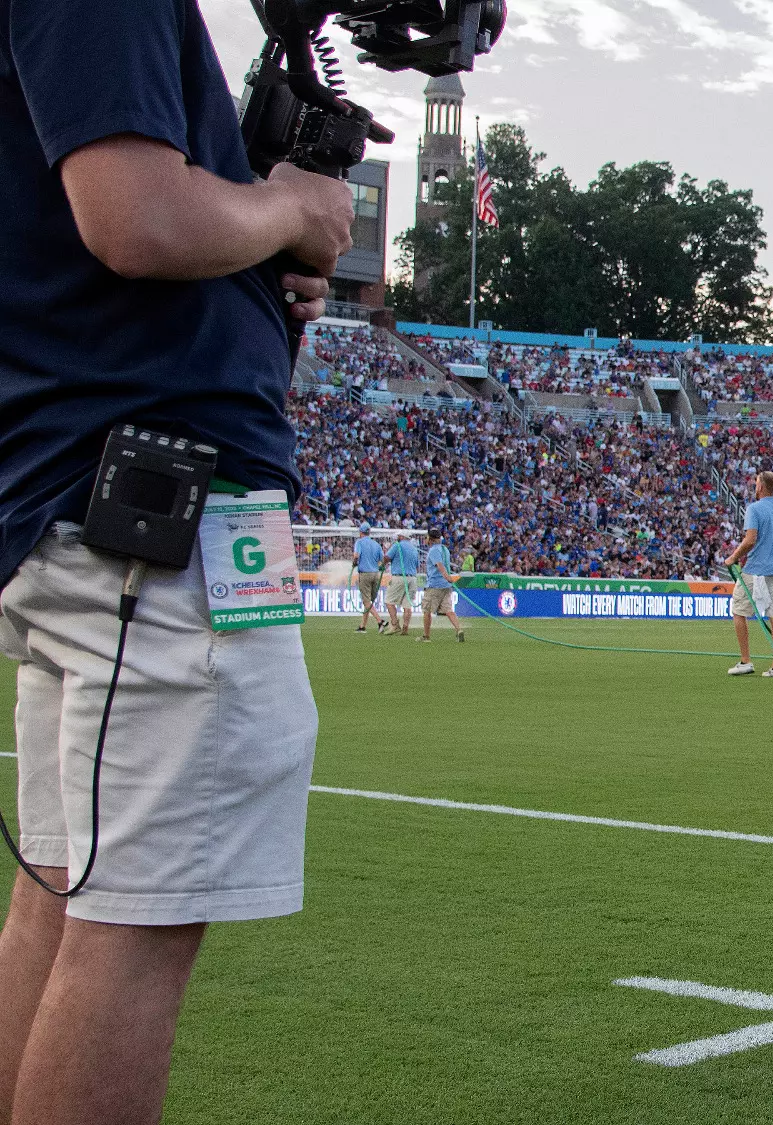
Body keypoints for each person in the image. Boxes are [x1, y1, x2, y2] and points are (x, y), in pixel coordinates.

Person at [0, 0, 353, 1120]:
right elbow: (138, 221)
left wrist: (253, 236)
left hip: (92, 506)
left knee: (62, 897)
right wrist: (288, 202)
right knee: (132, 924)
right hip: (156, 510)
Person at [723, 471, 773, 678]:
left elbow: (750, 539)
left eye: (756, 484)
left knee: (739, 611)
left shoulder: (754, 509)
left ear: (760, 487)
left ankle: (746, 660)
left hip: (755, 571)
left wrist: (733, 557)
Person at [419, 530, 465, 643]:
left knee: (427, 610)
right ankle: (459, 630)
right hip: (446, 586)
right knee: (448, 609)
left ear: (431, 539)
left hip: (435, 585)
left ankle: (426, 636)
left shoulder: (434, 550)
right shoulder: (444, 549)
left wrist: (446, 576)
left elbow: (439, 565)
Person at [383, 533, 420, 636]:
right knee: (407, 605)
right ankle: (405, 627)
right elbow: (417, 565)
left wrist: (382, 565)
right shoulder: (414, 548)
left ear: (402, 537)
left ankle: (395, 624)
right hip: (412, 578)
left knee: (389, 601)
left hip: (399, 577)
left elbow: (387, 557)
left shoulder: (397, 545)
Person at [352, 524, 384, 633]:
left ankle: (380, 621)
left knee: (366, 601)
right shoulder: (376, 544)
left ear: (361, 532)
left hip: (365, 574)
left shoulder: (359, 542)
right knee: (369, 601)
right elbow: (382, 560)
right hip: (376, 574)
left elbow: (356, 555)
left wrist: (354, 563)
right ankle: (362, 626)